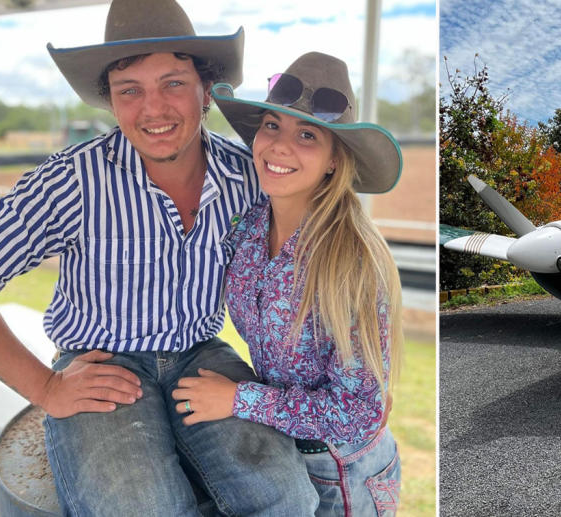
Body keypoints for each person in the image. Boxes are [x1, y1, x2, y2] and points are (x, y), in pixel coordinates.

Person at [0, 0, 319, 514]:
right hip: (102, 362)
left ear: (206, 90)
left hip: (202, 353)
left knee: (286, 498)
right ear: (110, 102)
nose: (153, 109)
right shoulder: (72, 179)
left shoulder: (248, 177)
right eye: (129, 90)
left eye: (173, 83)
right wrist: (47, 387)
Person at [171, 52, 404, 516]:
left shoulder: (349, 261)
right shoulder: (250, 227)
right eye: (272, 125)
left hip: (343, 473)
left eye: (306, 135)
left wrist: (239, 398)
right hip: (283, 455)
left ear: (335, 159)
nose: (279, 146)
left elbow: (358, 411)